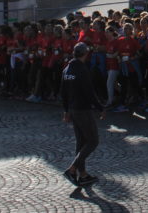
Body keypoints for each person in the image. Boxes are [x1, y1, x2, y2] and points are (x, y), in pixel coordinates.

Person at [61, 42, 106, 187]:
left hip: (73, 109)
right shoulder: (82, 70)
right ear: (86, 54)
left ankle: (83, 175)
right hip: (83, 109)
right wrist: (100, 107)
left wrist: (66, 110)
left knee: (81, 142)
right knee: (93, 141)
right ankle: (73, 168)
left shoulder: (66, 69)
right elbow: (89, 92)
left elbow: (63, 93)